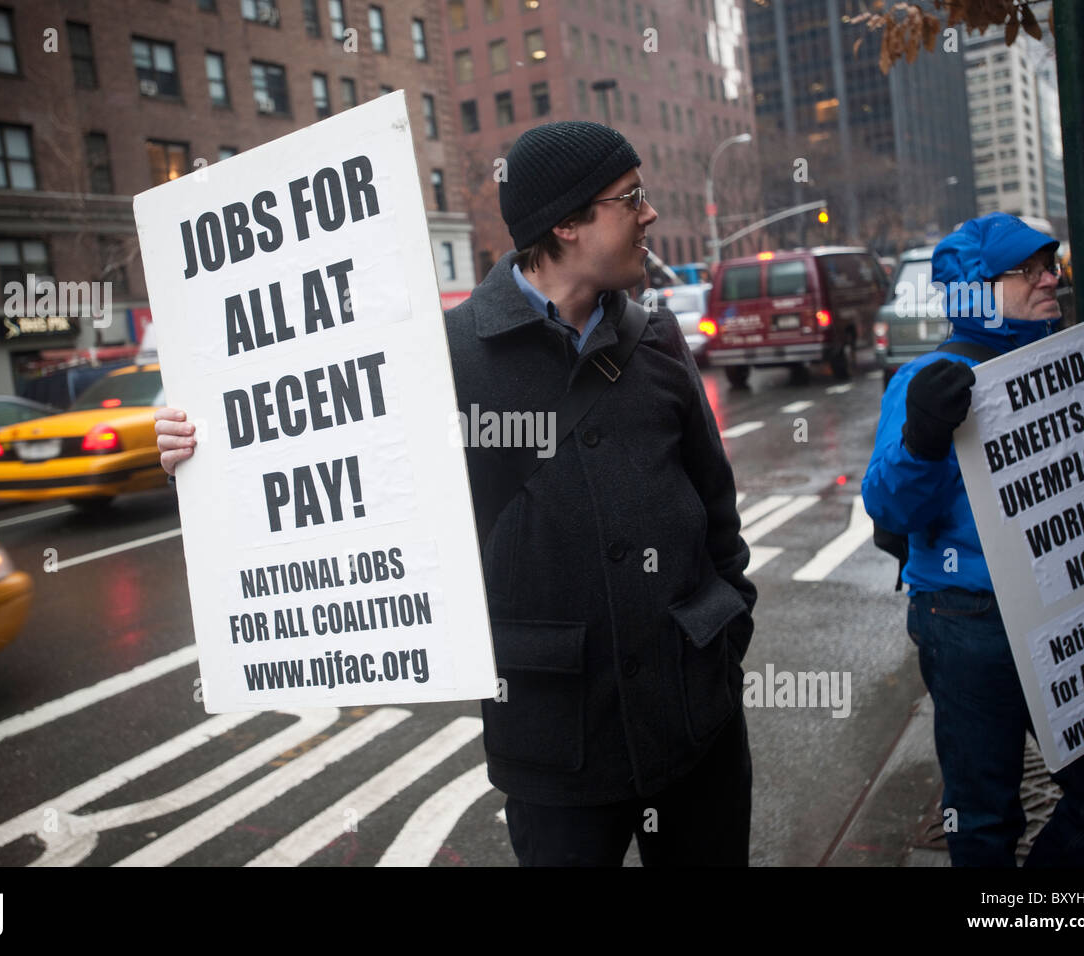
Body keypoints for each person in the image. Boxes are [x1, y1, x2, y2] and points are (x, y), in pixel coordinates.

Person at [157, 120, 756, 867]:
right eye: (629, 198)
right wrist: (204, 450)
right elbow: (334, 491)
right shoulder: (438, 361)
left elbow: (718, 514)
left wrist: (723, 638)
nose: (649, 213)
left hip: (696, 723)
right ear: (566, 223)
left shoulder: (659, 340)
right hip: (553, 744)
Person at [862, 212, 1084, 866]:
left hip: (1073, 609)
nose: (1054, 278)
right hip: (968, 622)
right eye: (1033, 269)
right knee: (983, 816)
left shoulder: (1077, 359)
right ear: (976, 288)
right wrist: (923, 439)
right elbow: (886, 503)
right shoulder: (927, 379)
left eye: (1052, 265)